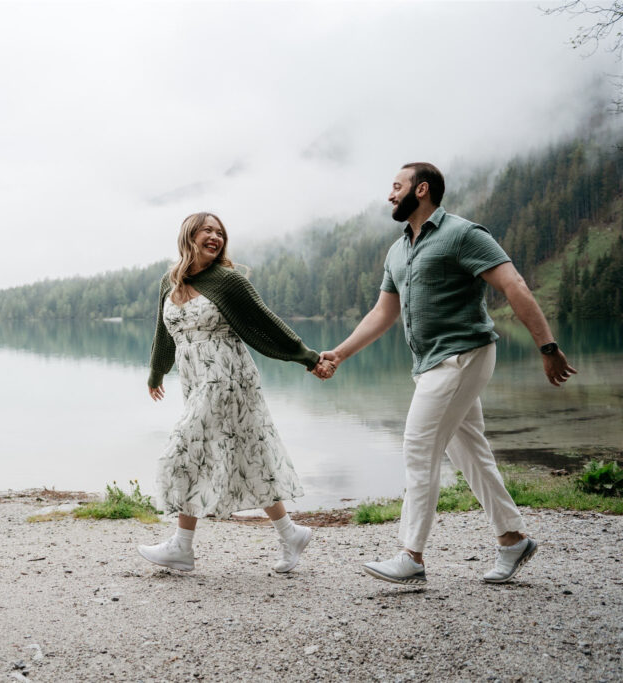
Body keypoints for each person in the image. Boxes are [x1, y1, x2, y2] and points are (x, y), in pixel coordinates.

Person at [321, 162, 577, 585]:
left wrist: (547, 347)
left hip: (463, 355)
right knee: (470, 453)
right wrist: (341, 353)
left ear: (421, 190)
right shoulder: (398, 249)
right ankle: (513, 539)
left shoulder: (463, 234)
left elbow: (514, 286)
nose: (389, 195)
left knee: (418, 449)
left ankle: (411, 555)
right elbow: (384, 311)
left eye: (396, 186)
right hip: (429, 365)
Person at [140, 212, 335, 573]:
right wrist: (156, 372)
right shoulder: (171, 281)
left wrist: (308, 358)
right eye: (207, 231)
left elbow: (266, 323)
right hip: (195, 378)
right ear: (189, 235)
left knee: (185, 450)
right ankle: (290, 533)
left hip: (226, 376)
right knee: (250, 453)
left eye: (220, 232)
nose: (215, 237)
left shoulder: (228, 281)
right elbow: (163, 332)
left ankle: (182, 547)